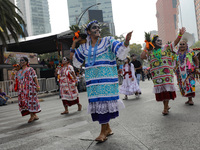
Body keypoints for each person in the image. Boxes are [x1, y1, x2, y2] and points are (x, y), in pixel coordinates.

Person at [70, 20, 132, 142]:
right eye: (94, 28)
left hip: (107, 82)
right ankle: (107, 128)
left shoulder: (108, 41)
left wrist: (126, 41)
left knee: (103, 104)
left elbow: (120, 52)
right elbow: (74, 60)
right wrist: (74, 43)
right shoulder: (84, 47)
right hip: (93, 83)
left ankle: (103, 132)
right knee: (99, 106)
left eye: (98, 27)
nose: (97, 29)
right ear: (88, 31)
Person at [141, 27, 186, 115]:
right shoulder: (150, 52)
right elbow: (142, 57)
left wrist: (180, 34)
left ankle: (165, 108)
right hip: (157, 77)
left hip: (167, 75)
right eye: (158, 41)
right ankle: (166, 105)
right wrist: (146, 47)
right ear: (153, 43)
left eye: (161, 40)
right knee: (162, 92)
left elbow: (175, 43)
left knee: (166, 91)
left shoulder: (166, 47)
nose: (160, 42)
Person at [11, 57, 41, 123]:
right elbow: (13, 78)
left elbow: (35, 77)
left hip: (30, 88)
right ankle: (34, 115)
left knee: (30, 101)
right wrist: (14, 70)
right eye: (20, 60)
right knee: (25, 102)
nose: (21, 62)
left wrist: (38, 85)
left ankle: (32, 116)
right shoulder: (19, 72)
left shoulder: (30, 69)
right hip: (22, 90)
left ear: (26, 62)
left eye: (23, 60)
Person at [174, 40, 199, 105]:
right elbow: (175, 62)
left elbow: (196, 59)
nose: (182, 45)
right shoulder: (177, 53)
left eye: (183, 44)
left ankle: (190, 99)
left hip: (189, 72)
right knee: (183, 85)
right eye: (180, 44)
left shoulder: (191, 52)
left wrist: (196, 67)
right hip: (180, 73)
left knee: (189, 84)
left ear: (186, 45)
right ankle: (188, 99)